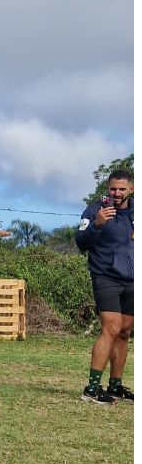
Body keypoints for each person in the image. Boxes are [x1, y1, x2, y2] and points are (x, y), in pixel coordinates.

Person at [76, 170, 133, 404]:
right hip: (105, 277)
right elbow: (81, 242)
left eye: (121, 189)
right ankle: (91, 389)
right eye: (113, 189)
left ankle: (115, 386)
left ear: (131, 189)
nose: (116, 193)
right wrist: (97, 225)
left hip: (132, 280)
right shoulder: (94, 210)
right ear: (107, 188)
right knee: (111, 328)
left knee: (124, 332)